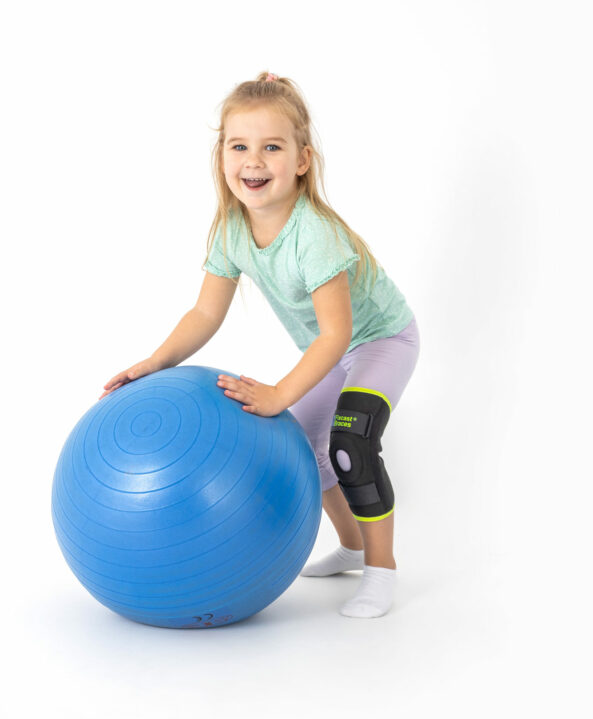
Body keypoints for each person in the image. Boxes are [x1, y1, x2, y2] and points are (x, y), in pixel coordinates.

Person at [101, 71, 420, 619]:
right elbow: (206, 313)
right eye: (239, 146)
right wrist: (155, 362)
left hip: (381, 340)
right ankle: (350, 547)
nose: (254, 161)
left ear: (302, 160)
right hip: (333, 349)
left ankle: (382, 569)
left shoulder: (314, 235)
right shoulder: (232, 228)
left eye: (272, 147)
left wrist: (278, 394)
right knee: (309, 450)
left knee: (351, 444)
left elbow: (338, 333)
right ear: (221, 156)